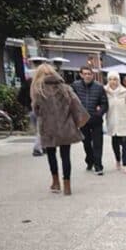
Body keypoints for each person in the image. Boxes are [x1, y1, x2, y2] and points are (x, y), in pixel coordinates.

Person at [30, 63, 88, 195]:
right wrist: (79, 121)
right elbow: (76, 104)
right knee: (65, 156)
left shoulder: (38, 89)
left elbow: (36, 109)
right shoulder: (65, 88)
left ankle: (56, 182)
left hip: (48, 127)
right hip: (65, 126)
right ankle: (67, 186)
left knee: (51, 155)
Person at [72, 66, 107, 174]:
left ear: (92, 75)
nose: (87, 76)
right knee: (86, 143)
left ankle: (98, 166)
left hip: (96, 120)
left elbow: (105, 103)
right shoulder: (75, 86)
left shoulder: (99, 87)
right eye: (85, 74)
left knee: (97, 143)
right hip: (83, 120)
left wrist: (99, 113)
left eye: (89, 74)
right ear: (81, 75)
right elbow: (72, 101)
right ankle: (90, 160)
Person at [105, 72, 126, 173]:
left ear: (118, 81)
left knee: (124, 143)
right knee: (115, 143)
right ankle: (118, 160)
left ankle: (125, 164)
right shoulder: (105, 92)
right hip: (112, 122)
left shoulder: (125, 93)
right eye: (110, 79)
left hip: (124, 122)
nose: (113, 82)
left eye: (115, 79)